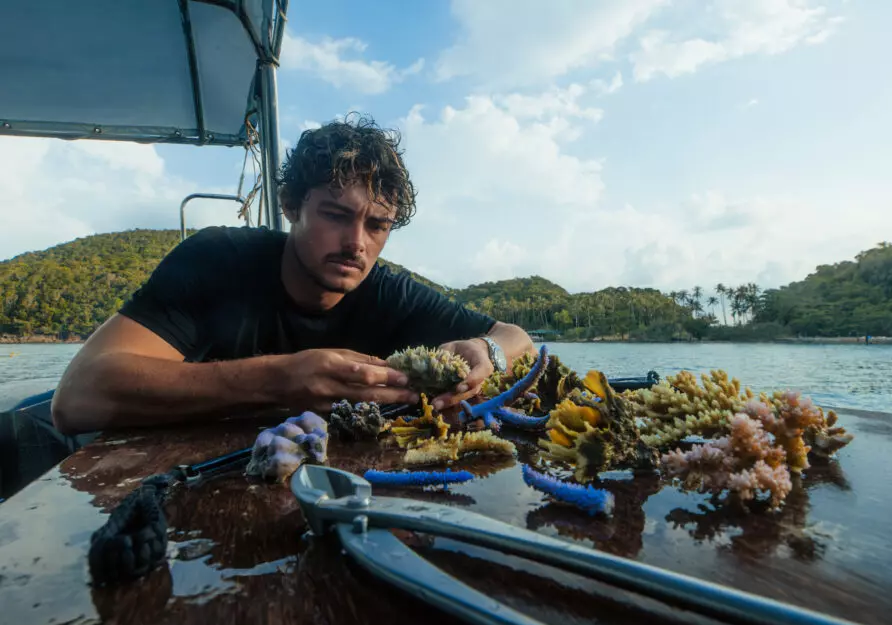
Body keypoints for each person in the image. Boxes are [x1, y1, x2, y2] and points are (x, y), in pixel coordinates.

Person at [51, 114, 534, 435]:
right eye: (335, 215)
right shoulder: (217, 260)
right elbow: (77, 397)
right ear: (290, 207)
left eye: (377, 225)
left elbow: (518, 341)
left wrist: (486, 351)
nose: (357, 243)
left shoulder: (391, 292)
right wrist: (282, 378)